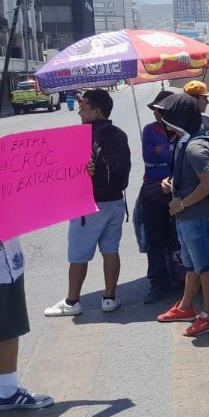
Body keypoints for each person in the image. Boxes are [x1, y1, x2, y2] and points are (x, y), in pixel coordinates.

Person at [45, 89, 131, 317]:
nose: (79, 113)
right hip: (116, 202)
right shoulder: (120, 134)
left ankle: (72, 302)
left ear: (97, 111)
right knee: (111, 250)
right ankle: (110, 299)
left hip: (89, 205)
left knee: (78, 255)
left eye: (83, 109)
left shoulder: (81, 135)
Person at [154, 93, 209, 336]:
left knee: (205, 266)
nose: (160, 118)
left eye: (165, 114)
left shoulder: (194, 146)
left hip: (199, 217)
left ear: (177, 117)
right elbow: (191, 178)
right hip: (188, 217)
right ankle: (186, 307)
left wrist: (182, 204)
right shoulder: (184, 141)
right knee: (192, 263)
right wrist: (171, 183)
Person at [0, 238, 54, 410]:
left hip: (8, 261)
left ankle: (8, 389)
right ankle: (7, 391)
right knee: (8, 325)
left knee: (9, 326)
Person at [141, 90, 180, 304]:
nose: (157, 114)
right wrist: (166, 151)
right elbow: (149, 155)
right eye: (155, 110)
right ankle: (158, 281)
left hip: (181, 187)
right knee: (155, 238)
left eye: (161, 110)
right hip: (154, 188)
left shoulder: (181, 131)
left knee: (179, 236)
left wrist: (163, 149)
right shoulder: (149, 130)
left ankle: (183, 275)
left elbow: (172, 155)